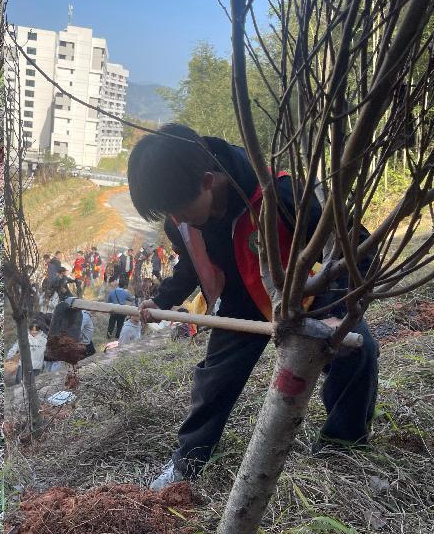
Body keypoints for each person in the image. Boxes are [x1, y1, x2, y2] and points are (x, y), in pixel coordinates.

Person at [127, 123, 379, 490]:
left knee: (358, 351)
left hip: (304, 290)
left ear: (208, 181)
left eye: (181, 211)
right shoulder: (180, 215)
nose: (178, 220)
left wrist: (340, 311)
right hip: (242, 299)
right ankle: (189, 460)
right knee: (215, 378)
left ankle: (342, 447)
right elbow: (190, 262)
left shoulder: (282, 193)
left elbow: (357, 247)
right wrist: (162, 299)